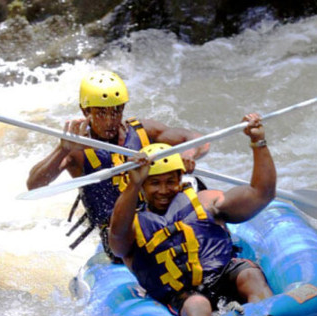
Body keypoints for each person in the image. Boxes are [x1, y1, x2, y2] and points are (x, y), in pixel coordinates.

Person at [108, 113, 276, 316]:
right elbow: (116, 239)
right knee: (197, 305)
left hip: (223, 274)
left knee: (250, 275)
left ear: (180, 178)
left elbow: (263, 193)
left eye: (170, 181)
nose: (163, 190)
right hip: (182, 294)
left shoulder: (207, 202)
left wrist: (258, 142)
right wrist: (133, 184)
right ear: (143, 186)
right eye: (154, 183)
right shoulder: (132, 225)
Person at [26, 70, 209, 260]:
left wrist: (188, 154)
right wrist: (62, 149)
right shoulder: (76, 150)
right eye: (101, 113)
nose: (110, 121)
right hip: (119, 233)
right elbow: (34, 185)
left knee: (195, 184)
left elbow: (197, 140)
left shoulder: (142, 131)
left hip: (156, 213)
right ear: (85, 111)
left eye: (116, 111)